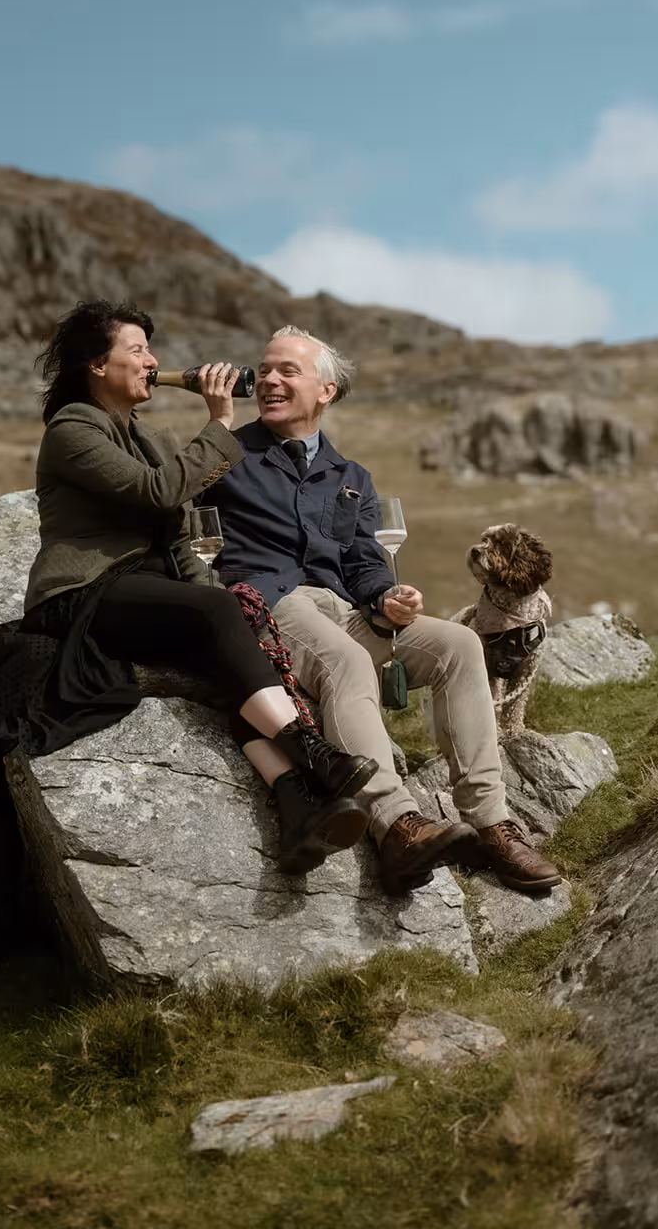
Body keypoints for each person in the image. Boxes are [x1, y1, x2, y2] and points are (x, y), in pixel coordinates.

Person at [0, 299, 379, 878]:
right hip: (86, 593)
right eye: (138, 350)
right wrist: (222, 422)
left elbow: (180, 534)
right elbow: (158, 491)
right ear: (98, 366)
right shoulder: (74, 427)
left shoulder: (149, 436)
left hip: (145, 595)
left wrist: (235, 613)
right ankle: (313, 751)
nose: (153, 361)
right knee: (215, 613)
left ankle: (296, 807)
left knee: (234, 650)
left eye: (151, 350)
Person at [204, 325, 563, 898]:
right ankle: (397, 824)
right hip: (270, 605)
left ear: (326, 390)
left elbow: (365, 562)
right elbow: (177, 503)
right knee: (345, 659)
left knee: (458, 644)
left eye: (287, 371)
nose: (268, 379)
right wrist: (217, 425)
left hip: (342, 609)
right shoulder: (226, 453)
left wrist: (387, 598)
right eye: (265, 369)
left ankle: (491, 822)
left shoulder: (351, 479)